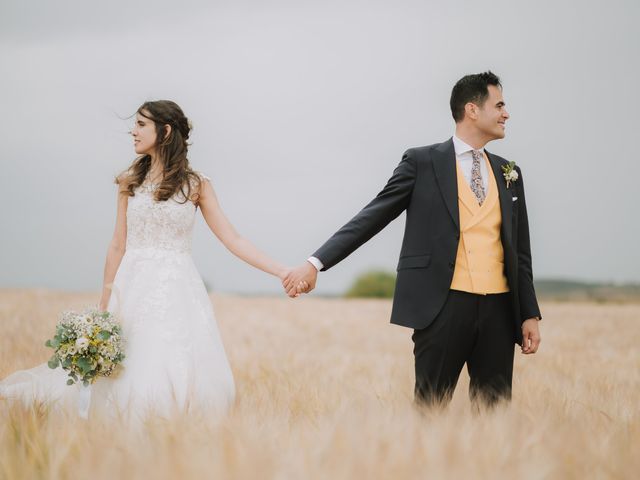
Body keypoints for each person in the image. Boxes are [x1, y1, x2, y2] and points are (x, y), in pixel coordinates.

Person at [0, 100, 290, 424]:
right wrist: (104, 303)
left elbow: (232, 239)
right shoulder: (129, 182)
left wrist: (281, 271)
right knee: (127, 361)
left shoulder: (197, 185)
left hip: (178, 287)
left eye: (141, 124)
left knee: (174, 358)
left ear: (165, 131)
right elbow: (117, 244)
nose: (133, 131)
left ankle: (174, 425)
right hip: (132, 286)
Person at [283, 71, 541, 408]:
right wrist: (316, 262)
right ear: (472, 110)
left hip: (499, 312)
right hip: (442, 307)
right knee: (429, 413)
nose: (507, 114)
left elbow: (521, 251)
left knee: (493, 419)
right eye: (500, 105)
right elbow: (373, 215)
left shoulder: (510, 172)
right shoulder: (422, 162)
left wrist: (529, 314)